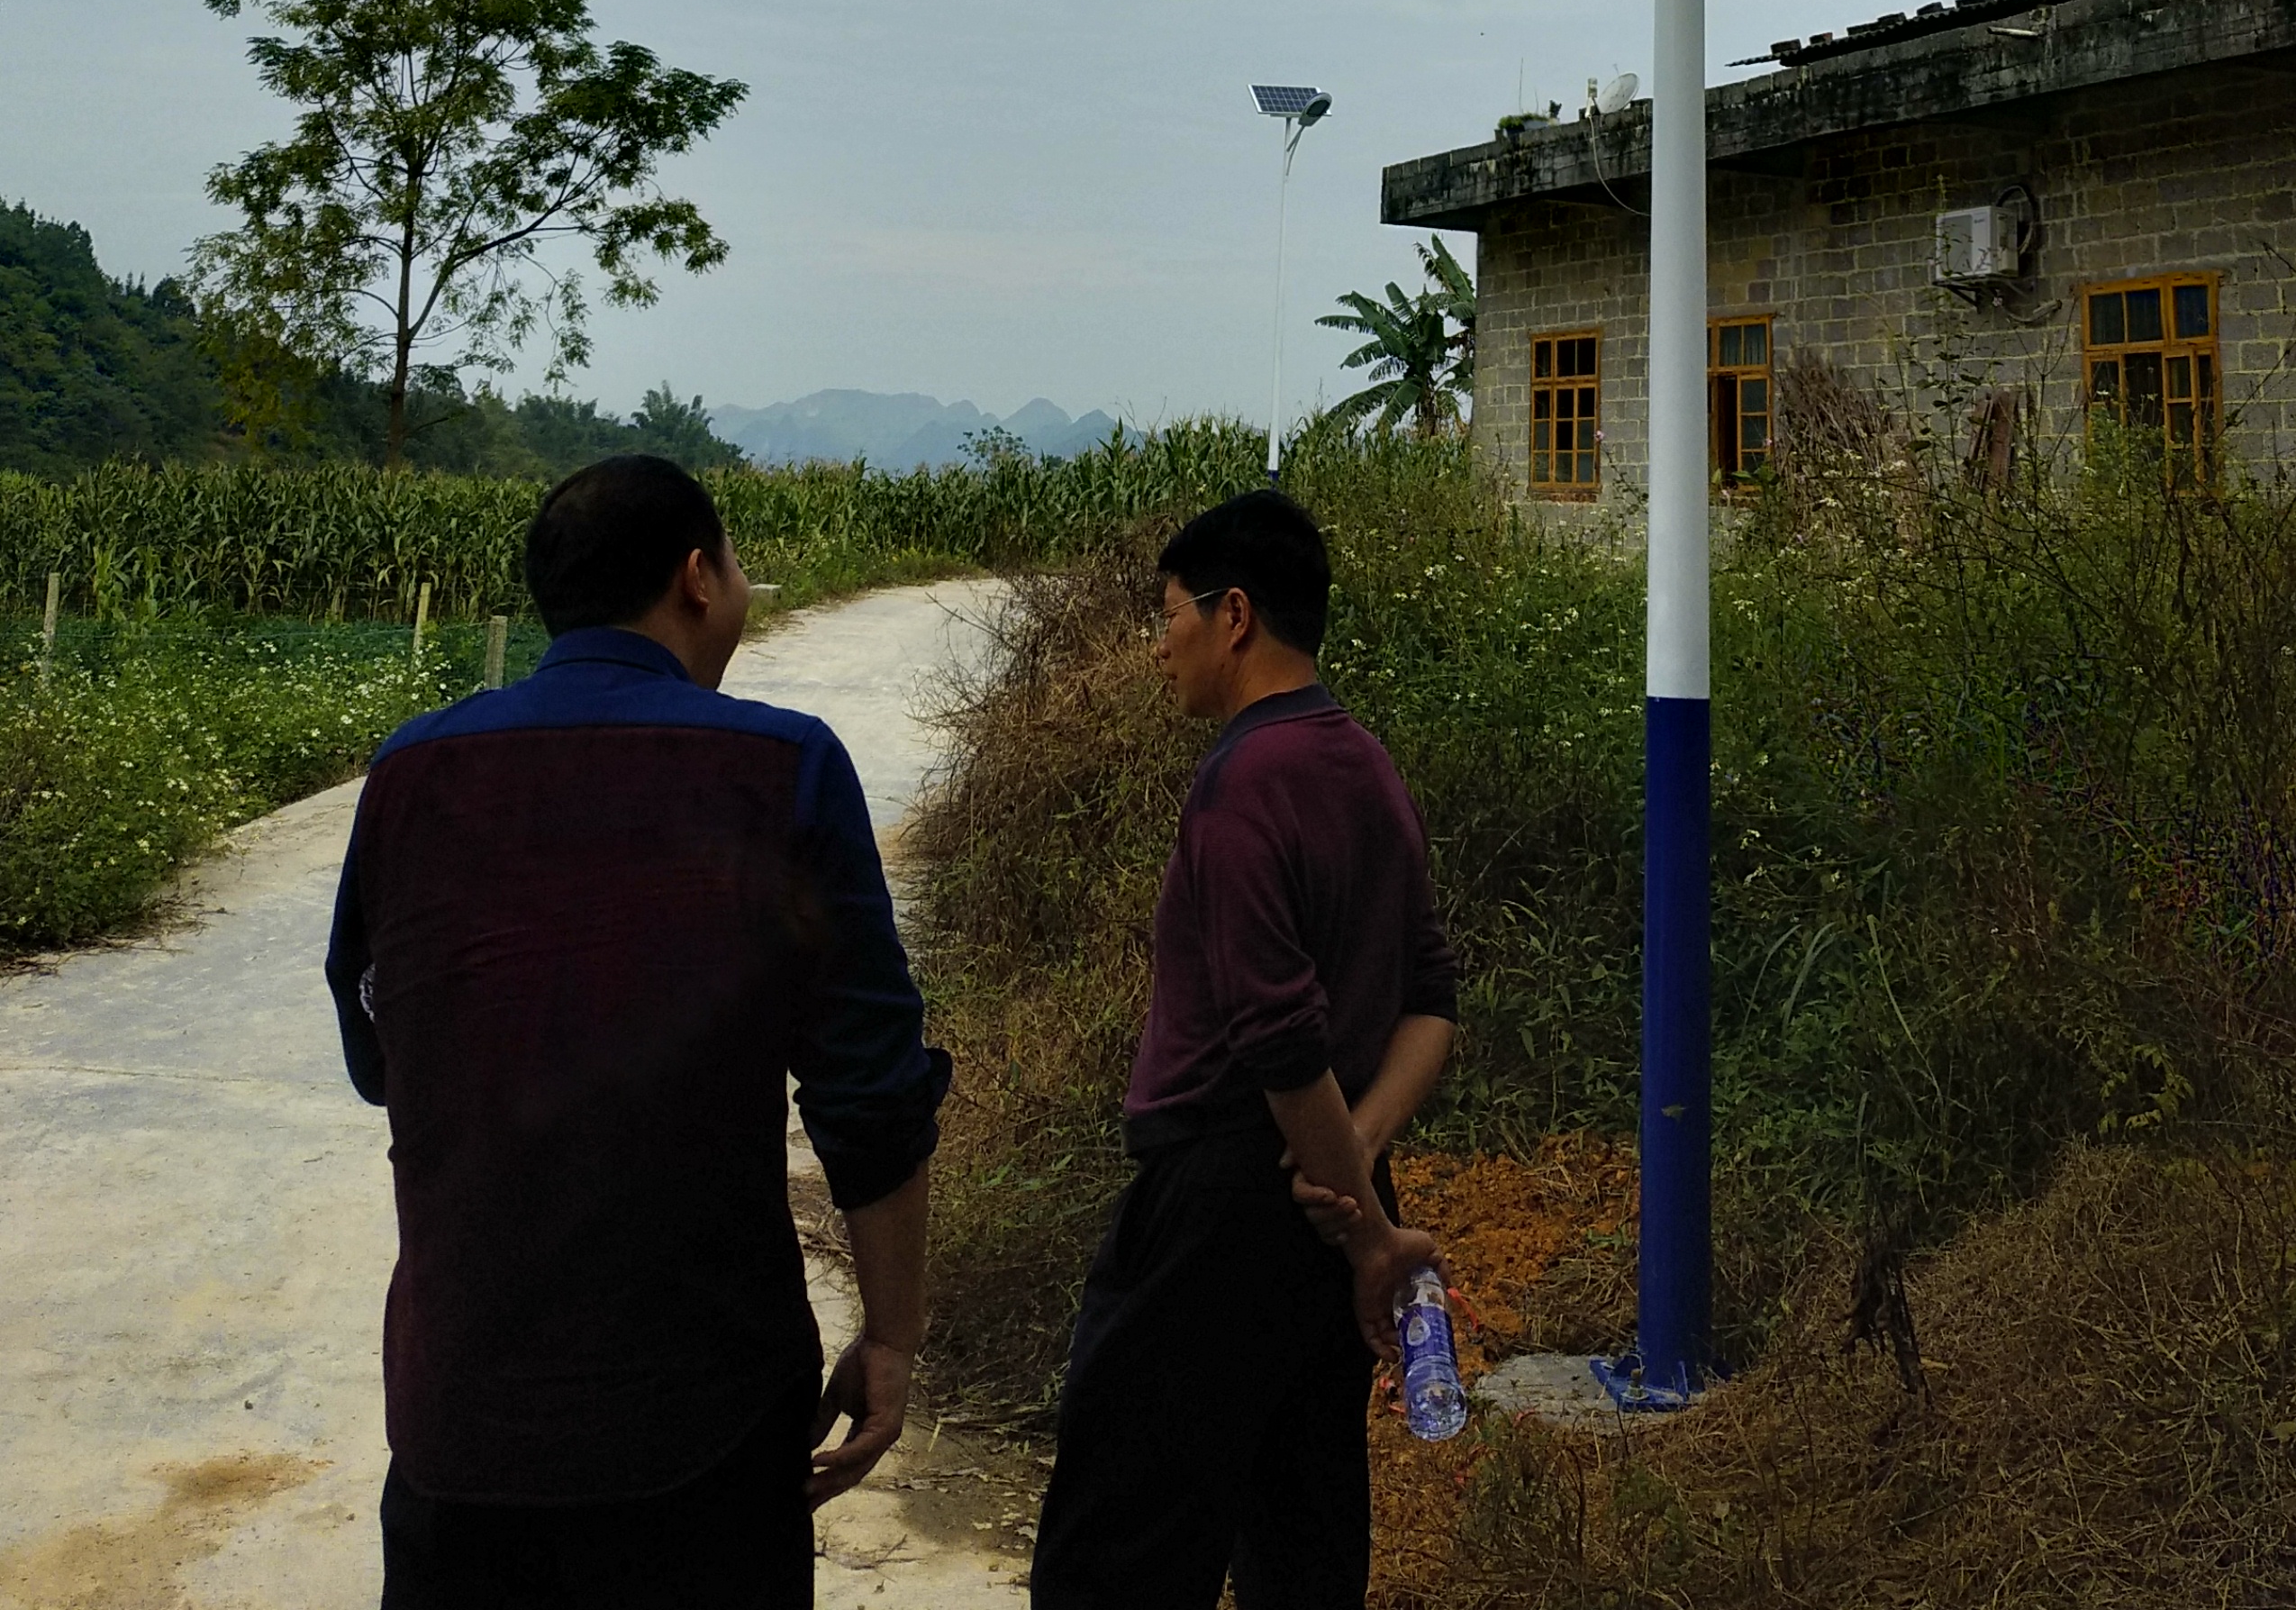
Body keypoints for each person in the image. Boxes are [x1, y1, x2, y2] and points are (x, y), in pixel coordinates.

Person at [327, 453, 951, 1610]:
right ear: (697, 576)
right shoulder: (783, 767)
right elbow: (871, 1097)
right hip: (704, 1425)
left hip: (462, 1417)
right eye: (739, 564)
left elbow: (379, 1057)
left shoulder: (408, 773)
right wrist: (893, 1334)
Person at [1028, 487, 1458, 1610]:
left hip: (1218, 1211)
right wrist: (1355, 1165)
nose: (1158, 644)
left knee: (1114, 1553)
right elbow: (1431, 1002)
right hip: (1324, 1197)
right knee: (1302, 1541)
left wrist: (1367, 1230)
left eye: (1168, 614)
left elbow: (1278, 1037)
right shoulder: (1367, 764)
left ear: (1234, 616)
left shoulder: (1241, 783)